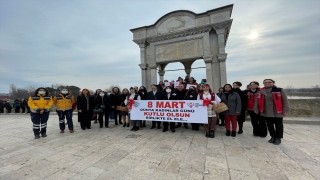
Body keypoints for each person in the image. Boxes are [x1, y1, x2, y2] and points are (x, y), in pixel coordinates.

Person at [254, 79, 289, 145]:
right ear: (263, 84)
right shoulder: (260, 91)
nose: (267, 83)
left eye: (269, 82)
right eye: (265, 82)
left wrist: (286, 110)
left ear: (273, 83)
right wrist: (256, 108)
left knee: (279, 125)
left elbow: (285, 101)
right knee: (269, 125)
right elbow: (257, 101)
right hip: (266, 111)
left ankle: (278, 138)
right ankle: (273, 136)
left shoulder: (279, 90)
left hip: (277, 110)